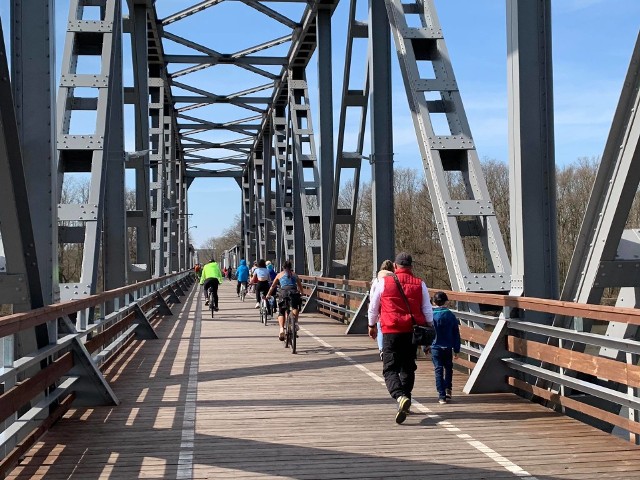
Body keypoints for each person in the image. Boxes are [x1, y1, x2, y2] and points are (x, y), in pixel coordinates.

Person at [367, 252, 433, 424]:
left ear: (395, 267)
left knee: (390, 369)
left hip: (391, 330)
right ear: (411, 267)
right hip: (412, 331)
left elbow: (373, 306)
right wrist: (430, 327)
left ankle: (400, 396)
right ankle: (406, 400)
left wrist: (372, 325)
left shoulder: (384, 282)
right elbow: (427, 309)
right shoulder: (420, 284)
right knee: (408, 367)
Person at [431, 291, 461, 404]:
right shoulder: (450, 315)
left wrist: (426, 346)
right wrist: (457, 349)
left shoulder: (432, 315)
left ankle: (441, 395)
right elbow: (455, 333)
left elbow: (428, 332)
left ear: (434, 302)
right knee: (448, 368)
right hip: (447, 347)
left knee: (438, 369)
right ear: (446, 302)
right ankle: (448, 389)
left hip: (435, 347)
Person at [266, 260, 303, 341]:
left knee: (281, 311)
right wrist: (301, 293)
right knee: (295, 307)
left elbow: (273, 286)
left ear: (283, 267)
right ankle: (295, 323)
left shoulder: (279, 275)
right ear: (291, 267)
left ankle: (281, 329)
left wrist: (268, 294)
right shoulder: (294, 274)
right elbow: (300, 286)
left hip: (283, 293)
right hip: (293, 292)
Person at [369, 259, 395, 361]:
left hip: (381, 309)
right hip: (392, 308)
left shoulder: (377, 280)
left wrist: (371, 322)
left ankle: (382, 349)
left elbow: (373, 297)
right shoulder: (395, 278)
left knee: (380, 329)